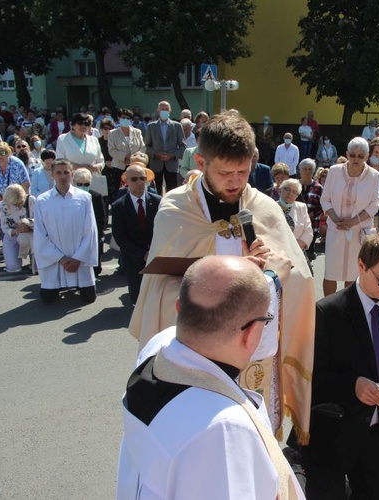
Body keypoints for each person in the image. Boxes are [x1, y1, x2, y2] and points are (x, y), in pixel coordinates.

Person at [128, 111, 315, 445]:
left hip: (255, 355)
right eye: (225, 172)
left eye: (243, 171)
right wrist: (240, 267)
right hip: (197, 351)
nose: (235, 181)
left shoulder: (263, 207)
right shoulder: (176, 208)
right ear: (201, 161)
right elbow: (164, 286)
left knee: (255, 441)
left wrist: (274, 269)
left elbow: (299, 275)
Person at [116, 256, 305, 500]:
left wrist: (261, 279)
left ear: (178, 309)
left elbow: (224, 324)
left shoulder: (158, 346)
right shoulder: (223, 430)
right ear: (251, 334)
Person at [302, 232, 379, 499]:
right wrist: (352, 385)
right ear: (360, 265)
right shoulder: (328, 312)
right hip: (333, 434)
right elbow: (310, 377)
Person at [320, 137, 379, 296]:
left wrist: (354, 221)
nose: (356, 159)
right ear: (347, 154)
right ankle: (328, 307)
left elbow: (375, 204)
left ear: (367, 157)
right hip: (336, 228)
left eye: (361, 156)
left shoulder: (374, 175)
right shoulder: (334, 171)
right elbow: (325, 199)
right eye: (352, 155)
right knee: (331, 272)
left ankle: (347, 309)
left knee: (353, 274)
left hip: (359, 231)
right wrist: (334, 218)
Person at [33, 159, 98, 304]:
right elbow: (40, 234)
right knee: (48, 299)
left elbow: (90, 229)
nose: (63, 177)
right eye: (58, 173)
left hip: (79, 258)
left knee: (89, 298)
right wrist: (61, 258)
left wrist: (77, 258)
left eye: (66, 172)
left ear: (72, 174)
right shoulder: (42, 200)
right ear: (52, 175)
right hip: (55, 260)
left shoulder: (84, 197)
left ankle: (80, 284)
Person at [111, 164, 162, 305]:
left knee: (158, 296)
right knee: (137, 299)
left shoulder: (159, 202)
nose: (140, 182)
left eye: (142, 178)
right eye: (134, 179)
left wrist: (154, 250)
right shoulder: (119, 206)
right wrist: (141, 254)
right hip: (133, 259)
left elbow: (165, 228)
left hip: (156, 254)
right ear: (126, 181)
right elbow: (120, 237)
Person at [72, 168, 107, 276]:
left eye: (86, 184)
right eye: (79, 184)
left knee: (95, 268)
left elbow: (102, 217)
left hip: (92, 234)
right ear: (73, 183)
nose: (83, 187)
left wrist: (99, 233)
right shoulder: (69, 197)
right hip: (75, 235)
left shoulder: (96, 196)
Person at [145, 101, 185, 193]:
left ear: (170, 111)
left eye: (166, 109)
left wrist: (172, 155)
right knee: (155, 190)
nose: (164, 111)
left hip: (171, 163)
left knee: (172, 190)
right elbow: (146, 146)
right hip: (156, 163)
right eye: (162, 109)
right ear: (158, 110)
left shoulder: (177, 126)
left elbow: (183, 146)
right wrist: (155, 155)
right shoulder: (151, 126)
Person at [0, 184, 35, 272]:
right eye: (15, 204)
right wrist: (16, 231)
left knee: (39, 265)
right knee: (13, 267)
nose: (19, 206)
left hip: (31, 234)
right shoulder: (2, 205)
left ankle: (33, 259)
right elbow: (4, 228)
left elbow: (40, 220)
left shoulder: (32, 200)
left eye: (21, 203)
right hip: (13, 235)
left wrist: (29, 224)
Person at [108, 108, 146, 174]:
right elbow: (112, 150)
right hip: (119, 167)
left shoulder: (137, 132)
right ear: (118, 118)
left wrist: (135, 156)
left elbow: (143, 147)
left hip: (135, 165)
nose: (125, 119)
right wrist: (126, 156)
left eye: (128, 118)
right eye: (123, 117)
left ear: (131, 120)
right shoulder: (112, 133)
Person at [299, 158, 323, 260]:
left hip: (313, 224)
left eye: (310, 169)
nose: (307, 171)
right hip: (296, 224)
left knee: (309, 253)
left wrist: (311, 215)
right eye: (305, 169)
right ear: (300, 170)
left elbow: (323, 205)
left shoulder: (319, 187)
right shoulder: (294, 185)